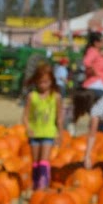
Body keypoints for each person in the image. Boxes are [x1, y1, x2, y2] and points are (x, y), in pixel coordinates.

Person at [22, 61, 63, 190]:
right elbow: (25, 116)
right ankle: (35, 184)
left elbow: (59, 117)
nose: (43, 85)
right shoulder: (32, 96)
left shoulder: (55, 97)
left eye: (46, 82)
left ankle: (43, 185)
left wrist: (59, 133)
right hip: (35, 132)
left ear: (51, 81)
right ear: (35, 82)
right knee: (35, 162)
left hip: (49, 132)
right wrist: (28, 128)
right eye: (40, 82)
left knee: (44, 161)